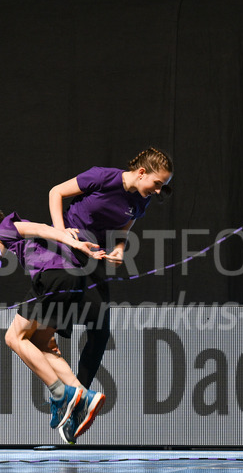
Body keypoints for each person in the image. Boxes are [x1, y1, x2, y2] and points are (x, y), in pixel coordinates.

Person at [0, 209, 108, 444]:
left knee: (13, 338)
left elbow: (44, 228)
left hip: (55, 276)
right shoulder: (22, 244)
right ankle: (84, 395)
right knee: (42, 344)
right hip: (73, 281)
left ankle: (60, 393)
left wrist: (74, 242)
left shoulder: (4, 228)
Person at [47, 146, 173, 389]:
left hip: (94, 256)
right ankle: (59, 385)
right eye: (157, 183)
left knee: (100, 330)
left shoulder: (141, 201)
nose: (158, 191)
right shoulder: (103, 177)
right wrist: (62, 233)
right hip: (69, 249)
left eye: (163, 186)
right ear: (141, 172)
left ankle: (80, 395)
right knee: (57, 325)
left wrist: (119, 247)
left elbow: (125, 228)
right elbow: (56, 192)